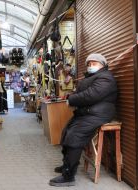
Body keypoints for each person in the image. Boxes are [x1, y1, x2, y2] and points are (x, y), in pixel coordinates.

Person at [49, 53, 118, 187]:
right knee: (66, 132)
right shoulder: (92, 77)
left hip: (98, 114)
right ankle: (67, 165)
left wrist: (71, 99)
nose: (91, 66)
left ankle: (69, 176)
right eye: (89, 64)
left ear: (102, 65)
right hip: (87, 113)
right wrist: (71, 96)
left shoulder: (106, 78)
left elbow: (91, 95)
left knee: (75, 135)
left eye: (94, 64)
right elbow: (83, 93)